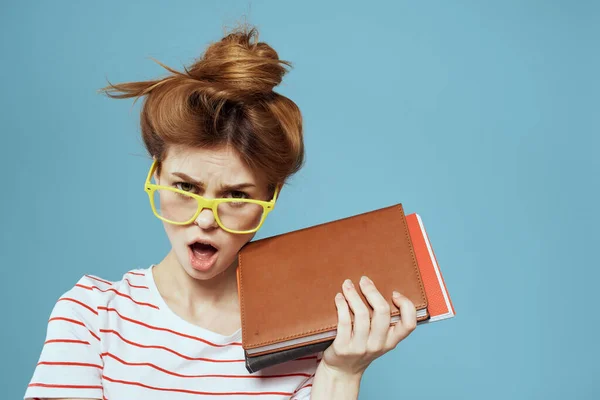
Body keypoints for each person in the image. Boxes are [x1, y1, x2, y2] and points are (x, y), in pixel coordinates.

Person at [24, 25, 417, 400]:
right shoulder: (92, 318)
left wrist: (340, 374)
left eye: (235, 195)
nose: (206, 218)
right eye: (185, 187)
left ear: (270, 196)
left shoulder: (302, 342)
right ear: (156, 173)